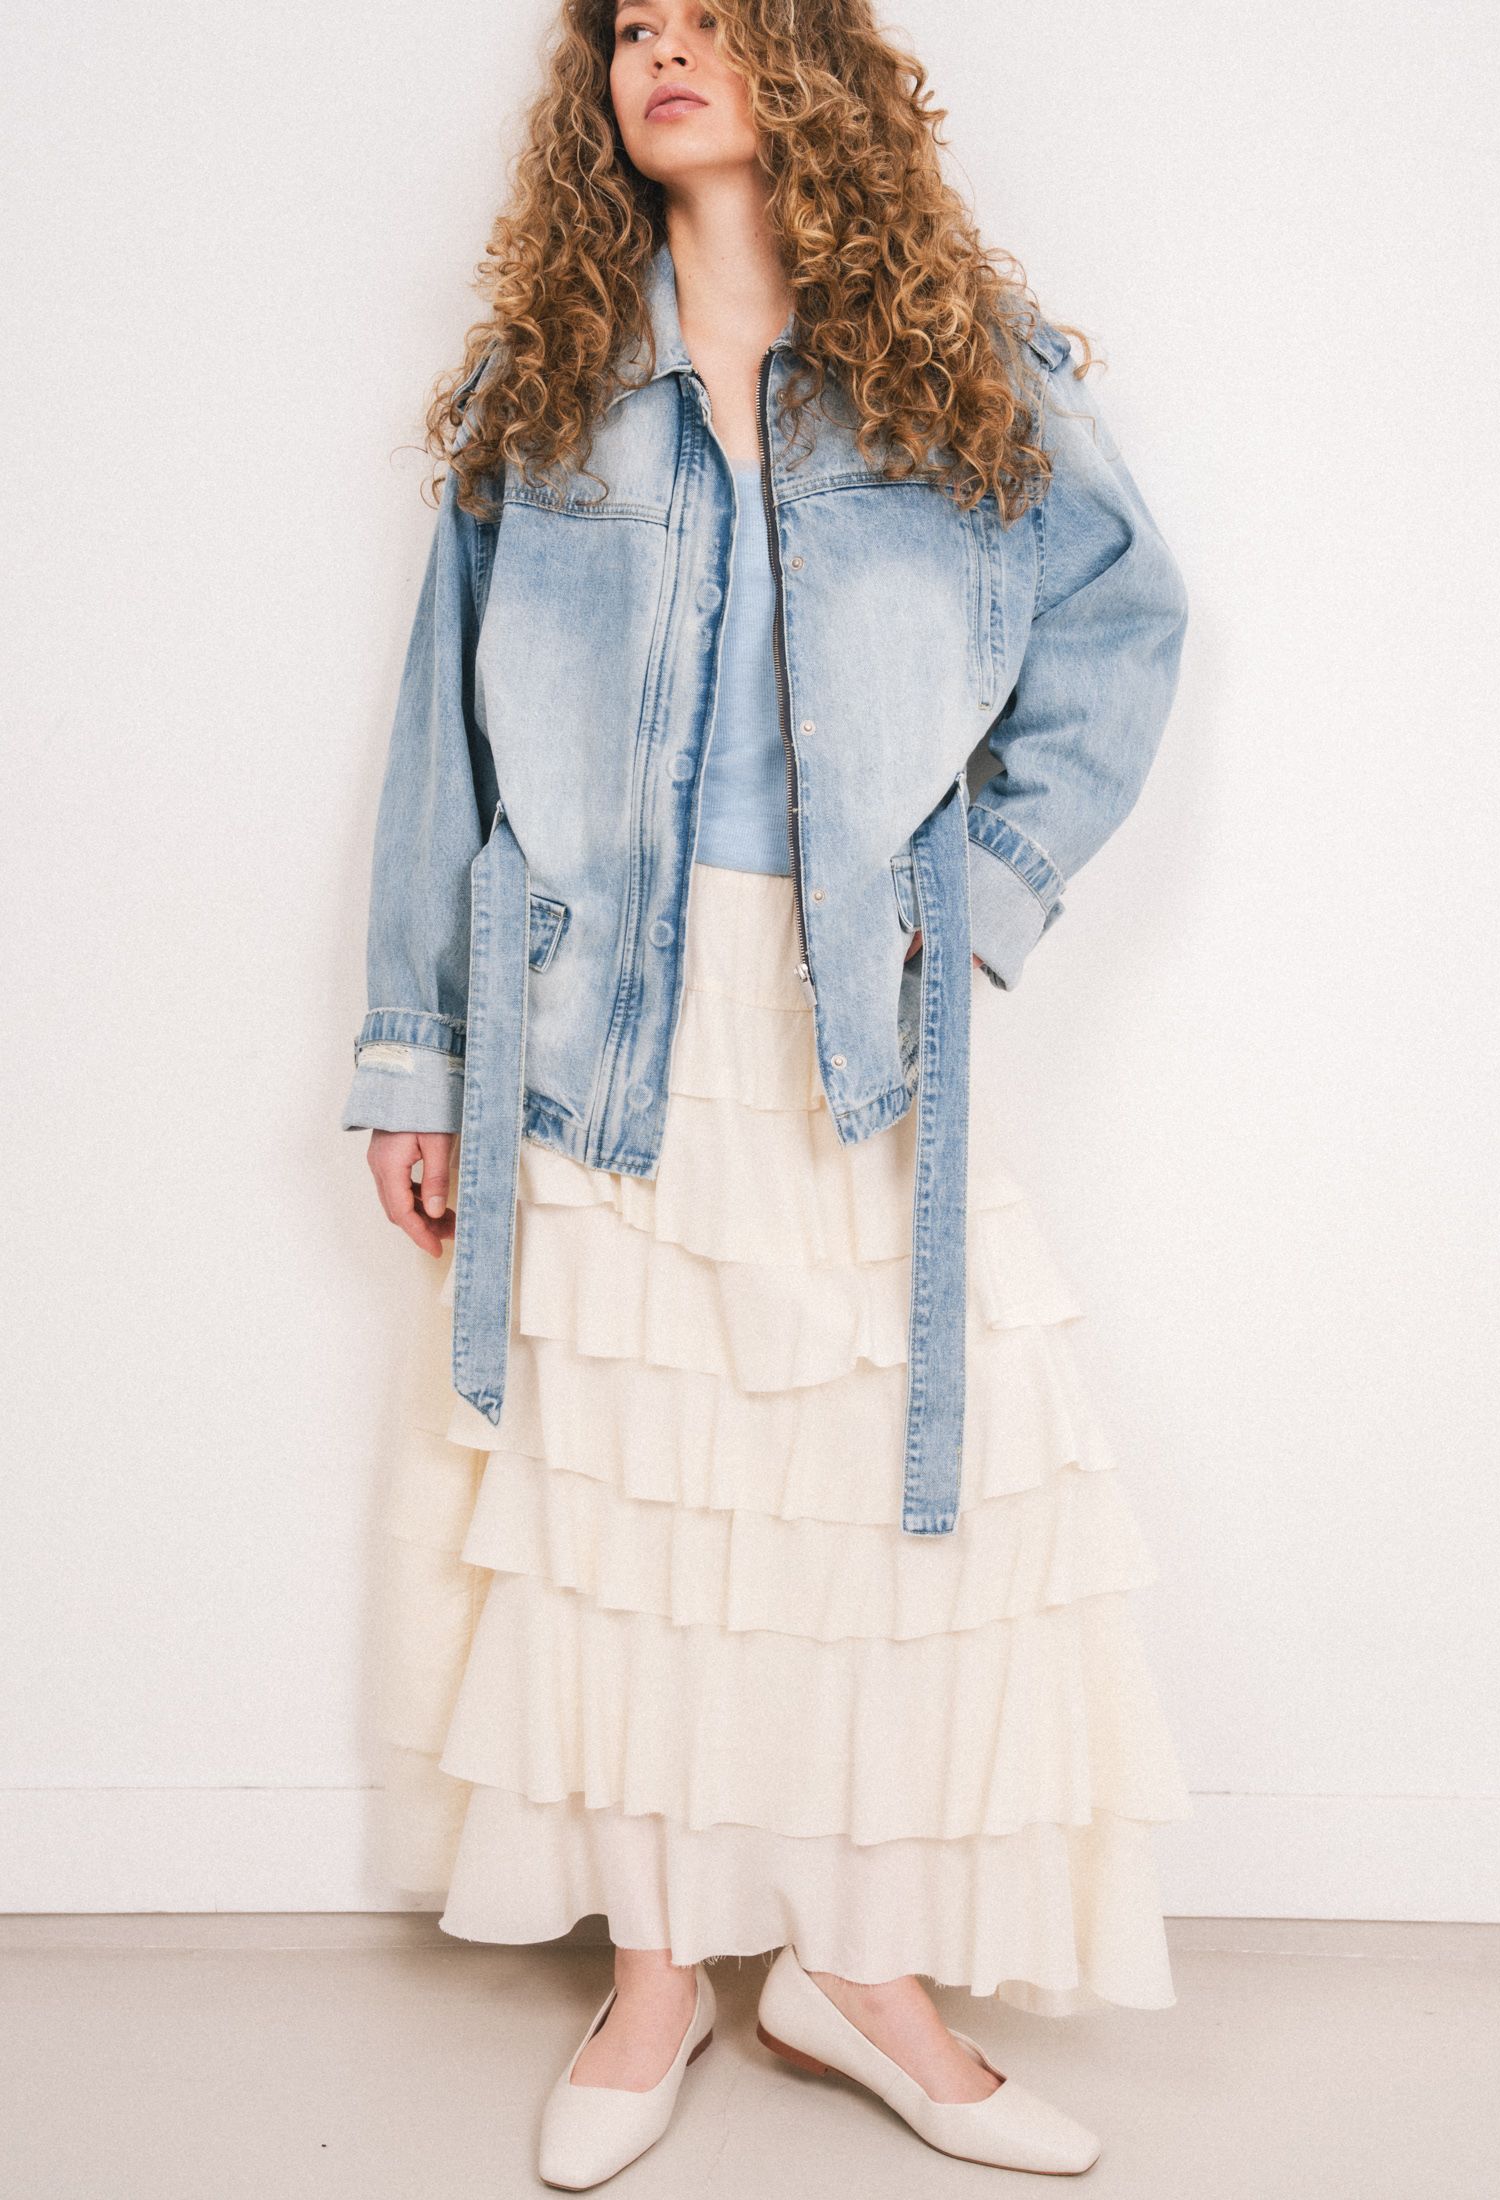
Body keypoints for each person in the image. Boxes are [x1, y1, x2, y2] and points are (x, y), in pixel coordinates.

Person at [340, 0, 1191, 2184]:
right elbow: (443, 737)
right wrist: (418, 1054)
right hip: (588, 1021)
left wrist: (978, 893)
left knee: (885, 1502)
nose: (664, 51)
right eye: (633, 26)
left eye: (710, 19)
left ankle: (856, 1972)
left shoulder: (955, 358)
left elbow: (1125, 624)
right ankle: (656, 1973)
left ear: (807, 60)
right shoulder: (546, 381)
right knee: (627, 1507)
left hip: (859, 1019)